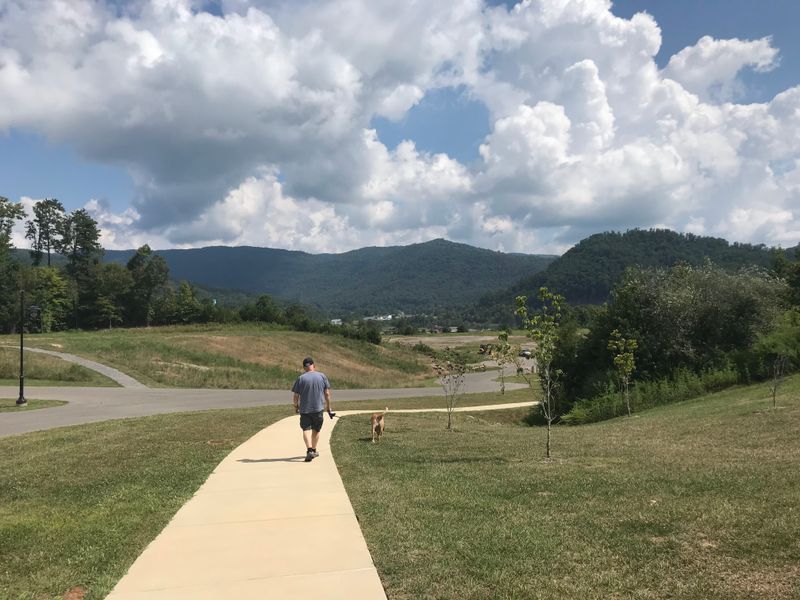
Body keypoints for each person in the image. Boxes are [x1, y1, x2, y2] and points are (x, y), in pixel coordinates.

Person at [291, 357, 333, 462]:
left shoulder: (301, 378)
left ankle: (309, 450)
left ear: (304, 367)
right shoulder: (322, 376)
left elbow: (296, 396)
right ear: (313, 366)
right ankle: (314, 450)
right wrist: (328, 407)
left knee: (306, 429)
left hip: (305, 410)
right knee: (316, 430)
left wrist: (296, 406)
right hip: (318, 409)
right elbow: (327, 393)